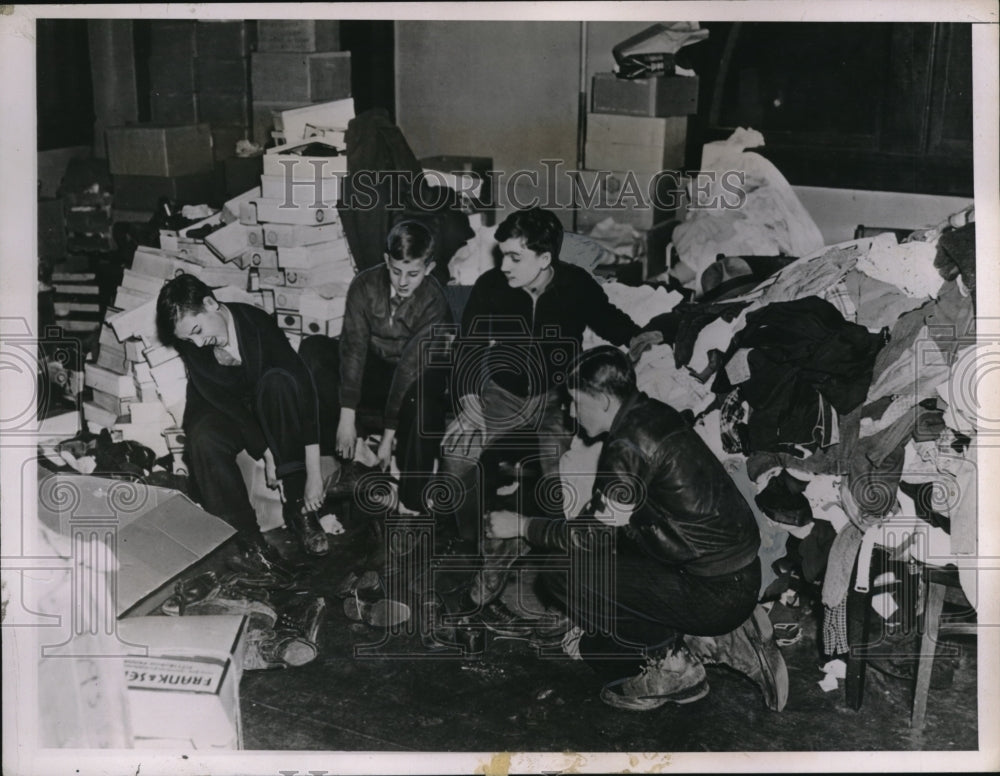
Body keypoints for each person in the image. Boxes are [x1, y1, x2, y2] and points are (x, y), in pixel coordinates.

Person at [486, 346, 788, 711]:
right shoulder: (654, 414)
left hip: (714, 592)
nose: (570, 412)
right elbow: (618, 523)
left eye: (576, 402)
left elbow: (586, 538)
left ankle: (672, 665)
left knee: (562, 574)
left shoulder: (628, 446)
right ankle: (721, 635)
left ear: (603, 401)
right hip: (738, 575)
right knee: (605, 594)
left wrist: (522, 525)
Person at [439, 207, 660, 550]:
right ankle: (465, 542)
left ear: (544, 259)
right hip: (503, 395)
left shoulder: (576, 283)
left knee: (563, 482)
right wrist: (468, 400)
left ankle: (556, 555)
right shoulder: (491, 285)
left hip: (560, 400)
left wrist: (637, 336)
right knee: (456, 453)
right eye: (502, 255)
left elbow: (608, 318)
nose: (504, 266)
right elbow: (468, 347)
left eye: (515, 257)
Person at [156, 273, 329, 572]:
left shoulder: (255, 322)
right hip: (220, 405)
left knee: (280, 382)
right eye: (187, 340)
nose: (197, 343)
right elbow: (227, 405)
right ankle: (245, 541)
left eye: (197, 330)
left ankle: (299, 508)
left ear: (211, 304)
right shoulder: (194, 344)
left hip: (266, 401)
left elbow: (302, 386)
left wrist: (313, 473)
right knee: (203, 437)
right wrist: (266, 451)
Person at [297, 219, 452, 512]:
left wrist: (389, 436)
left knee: (425, 397)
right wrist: (347, 417)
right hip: (376, 370)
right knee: (314, 348)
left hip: (414, 378)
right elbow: (353, 348)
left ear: (429, 268)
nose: (403, 282)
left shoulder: (435, 300)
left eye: (413, 274)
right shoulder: (365, 284)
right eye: (396, 271)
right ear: (386, 260)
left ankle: (411, 502)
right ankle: (347, 461)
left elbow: (409, 369)